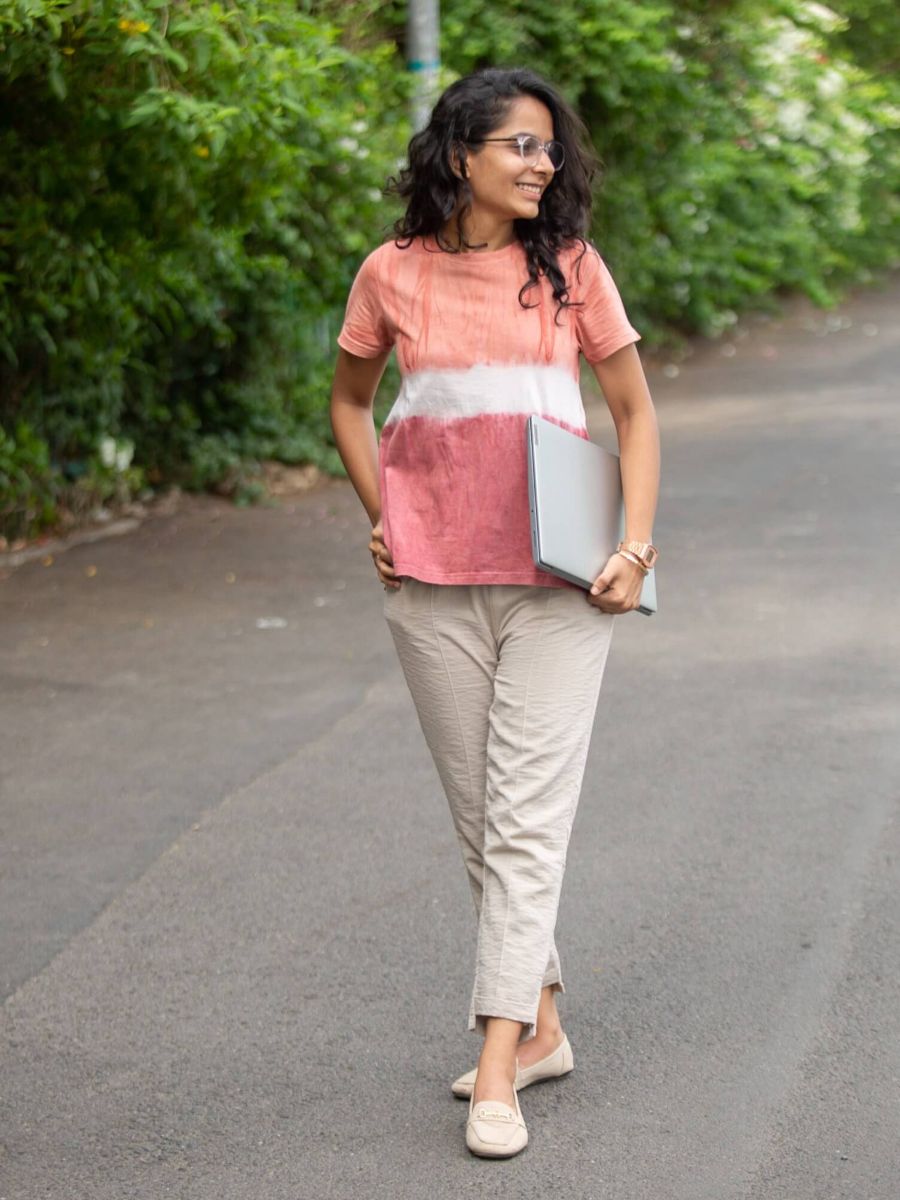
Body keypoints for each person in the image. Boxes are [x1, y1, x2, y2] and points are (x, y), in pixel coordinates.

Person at [329, 65, 660, 1159]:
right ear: (459, 151)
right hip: (431, 583)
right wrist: (382, 513)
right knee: (484, 819)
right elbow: (349, 401)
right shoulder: (391, 272)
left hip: (561, 579)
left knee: (525, 823)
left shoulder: (571, 269)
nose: (543, 163)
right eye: (521, 144)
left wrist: (634, 544)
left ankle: (500, 1066)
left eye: (550, 147)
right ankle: (547, 1027)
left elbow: (634, 413)